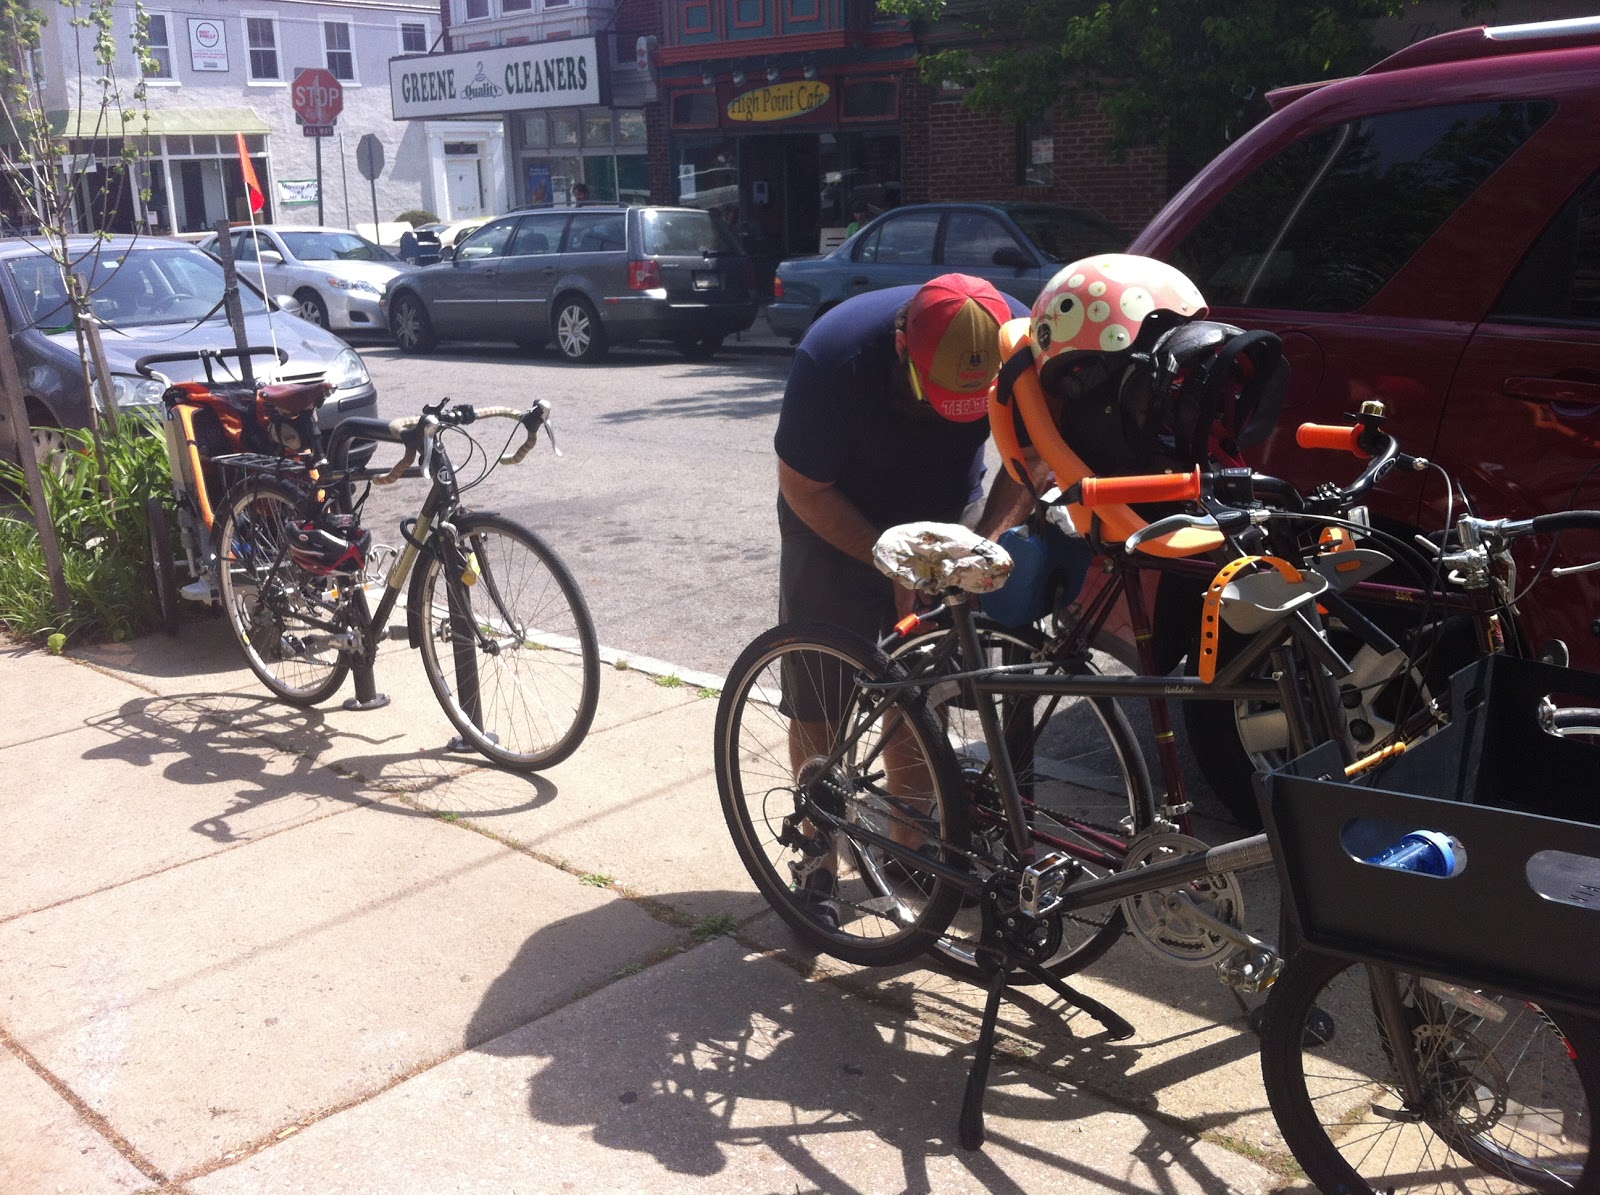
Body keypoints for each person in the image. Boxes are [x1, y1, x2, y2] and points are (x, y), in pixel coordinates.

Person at [774, 274, 1033, 924]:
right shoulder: (832, 359)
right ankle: (815, 853)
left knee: (922, 685)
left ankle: (909, 846)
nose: (952, 419)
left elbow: (1031, 459)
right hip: (836, 511)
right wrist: (886, 558)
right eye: (938, 397)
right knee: (822, 688)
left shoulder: (1019, 341)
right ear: (900, 347)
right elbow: (803, 486)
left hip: (944, 509)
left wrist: (982, 543)